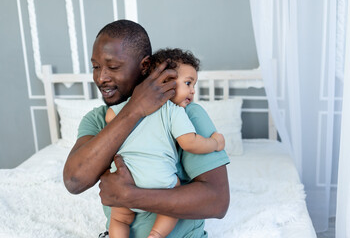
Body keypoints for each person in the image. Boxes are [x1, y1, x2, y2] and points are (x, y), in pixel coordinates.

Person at [63, 19, 230, 238]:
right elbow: (75, 181)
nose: (101, 78)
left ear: (144, 66)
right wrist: (135, 109)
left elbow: (217, 201)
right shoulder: (96, 120)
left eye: (113, 67)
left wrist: (129, 196)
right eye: (95, 67)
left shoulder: (185, 113)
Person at [105, 48, 225, 238]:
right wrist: (215, 143)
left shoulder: (129, 107)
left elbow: (110, 117)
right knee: (175, 195)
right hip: (158, 180)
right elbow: (190, 142)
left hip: (125, 177)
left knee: (119, 218)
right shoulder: (173, 111)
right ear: (165, 81)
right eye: (188, 83)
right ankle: (157, 234)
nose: (192, 90)